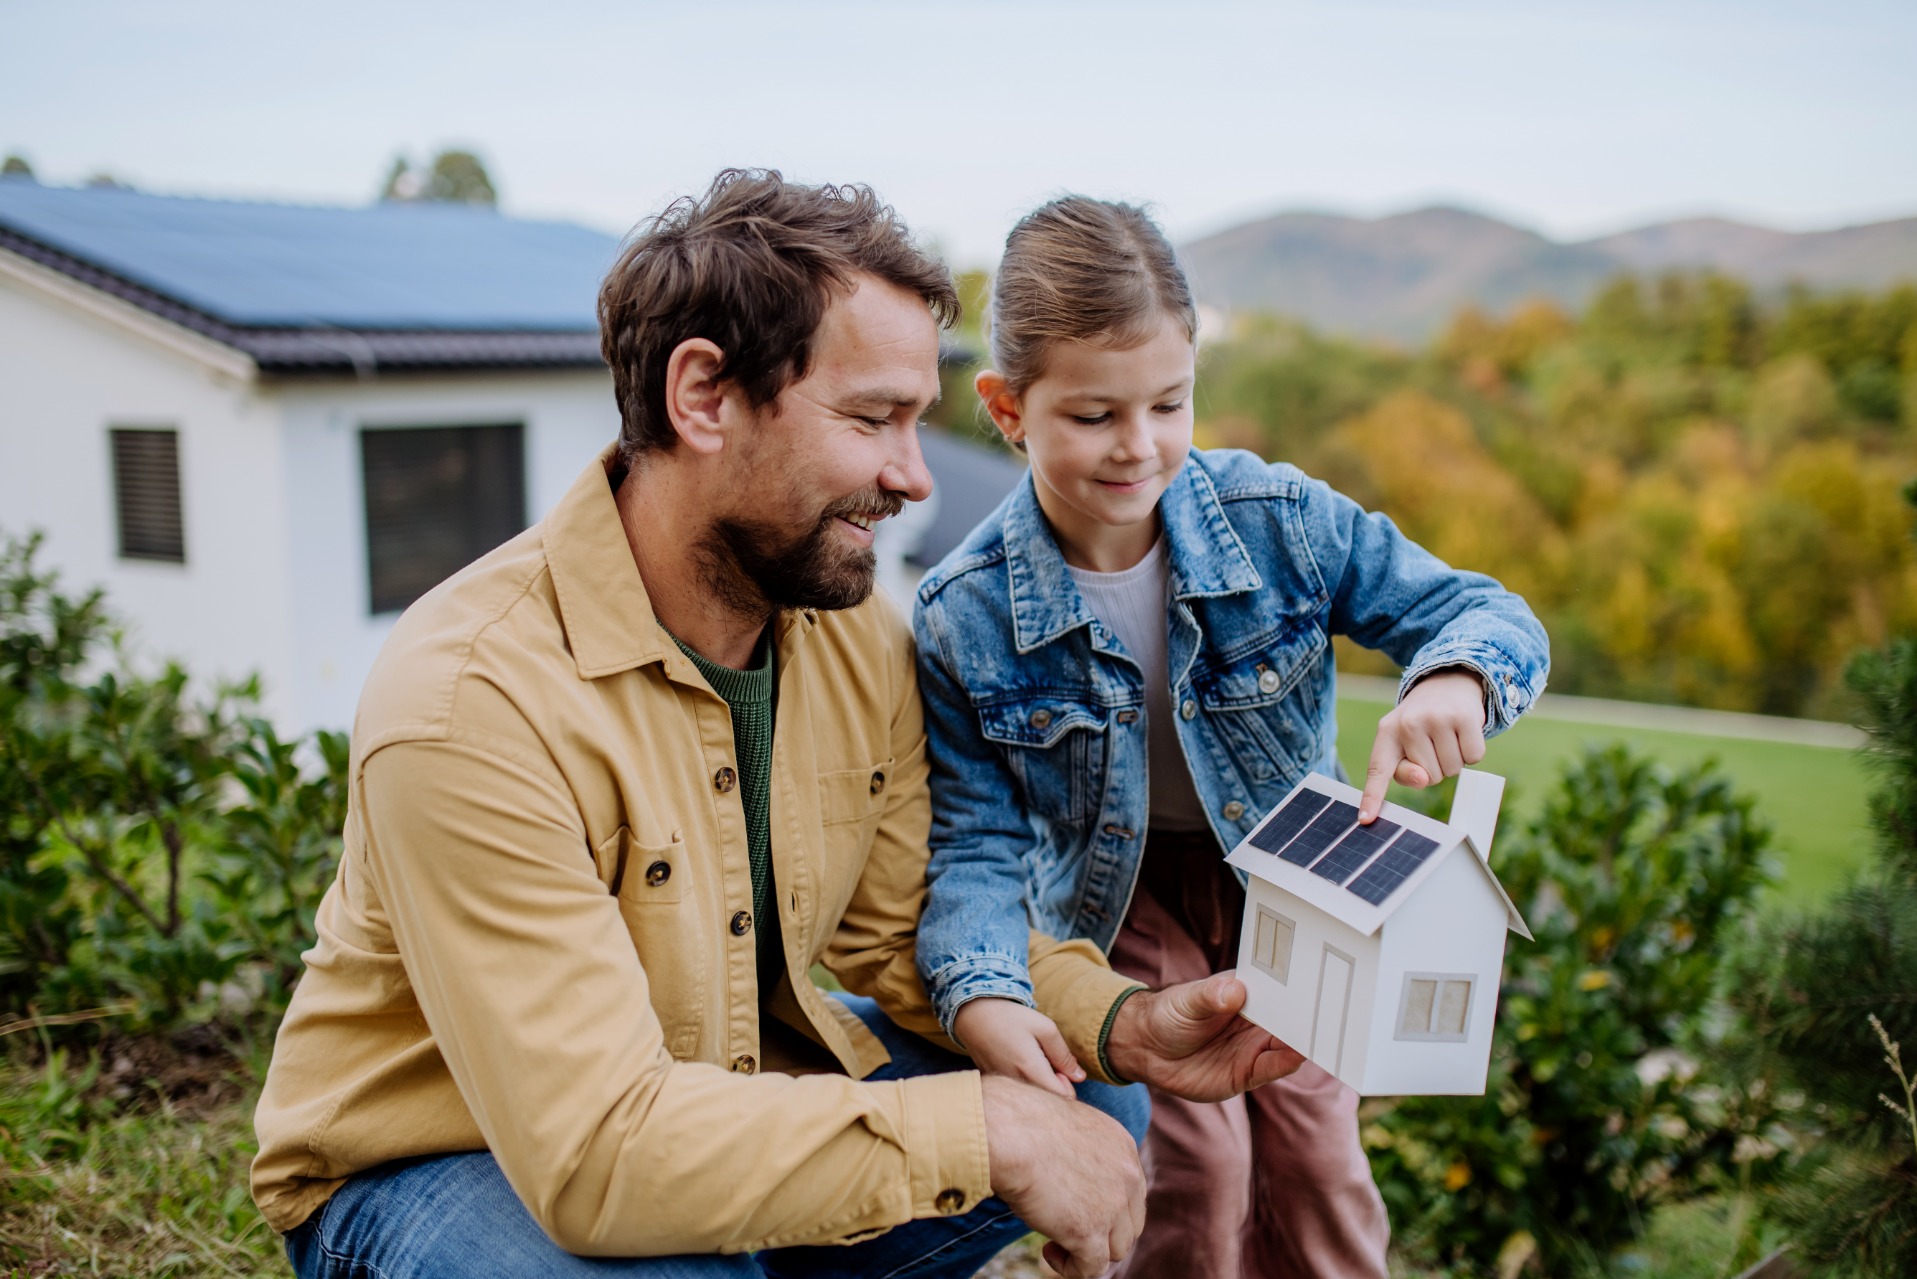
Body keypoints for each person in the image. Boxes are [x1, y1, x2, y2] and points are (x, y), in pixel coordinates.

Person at [250, 170, 1304, 1279]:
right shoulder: (471, 701)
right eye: (870, 419)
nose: (910, 476)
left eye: (918, 421)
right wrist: (984, 1131)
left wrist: (1122, 1022)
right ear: (703, 395)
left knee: (1087, 1093)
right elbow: (599, 1151)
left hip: (718, 1088)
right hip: (449, 1158)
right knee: (717, 1237)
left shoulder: (846, 631)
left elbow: (908, 926)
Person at [912, 196, 1551, 1279]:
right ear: (1008, 407)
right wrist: (981, 984)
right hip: (1119, 904)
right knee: (1191, 1171)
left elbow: (1484, 613)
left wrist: (1455, 676)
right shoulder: (961, 612)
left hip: (1296, 880)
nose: (1139, 446)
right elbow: (973, 837)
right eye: (1094, 415)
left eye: (1169, 403)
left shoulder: (1280, 520)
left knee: (1319, 1155)